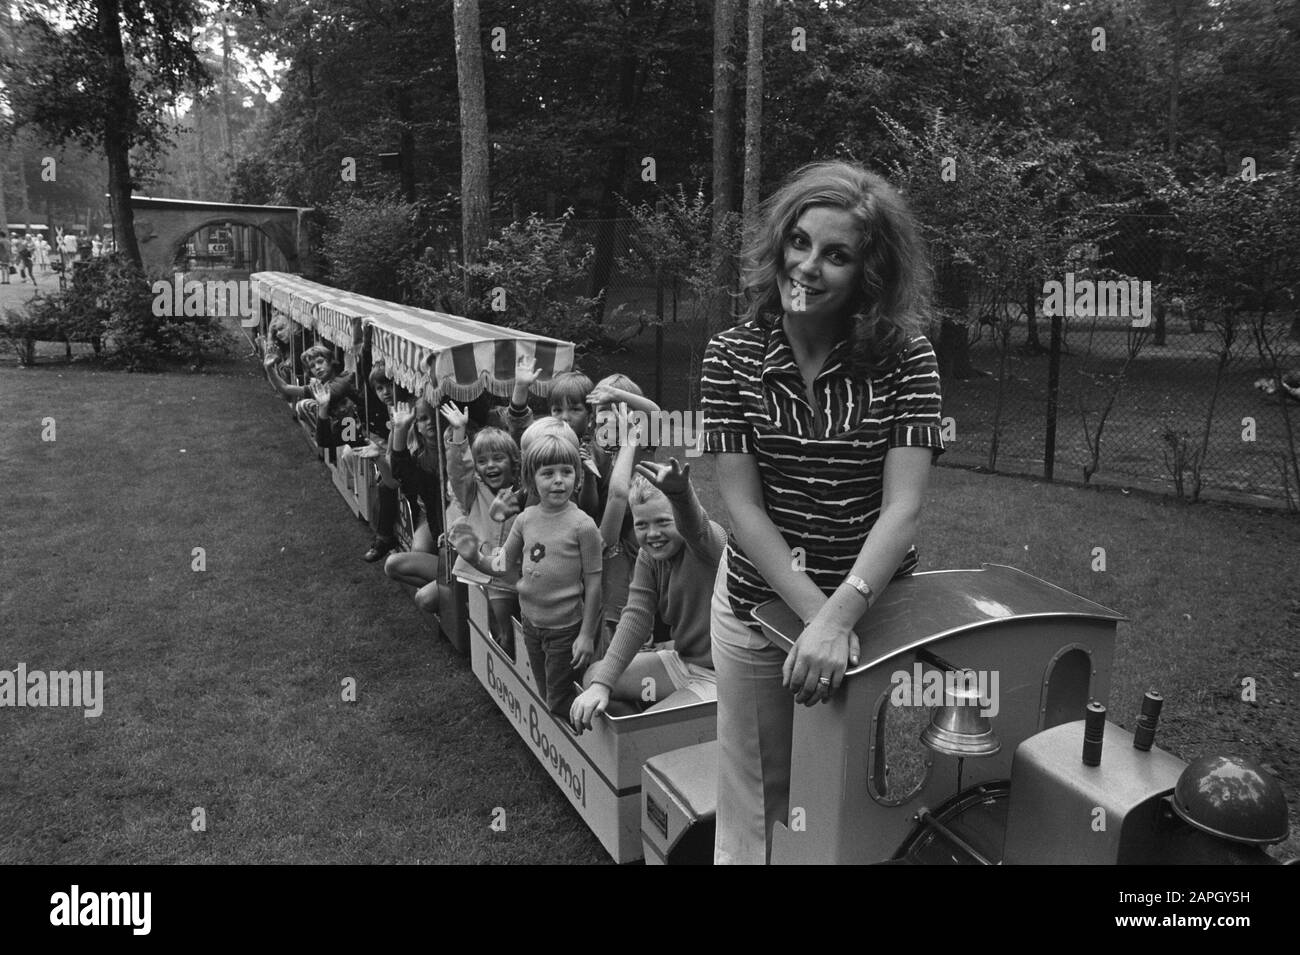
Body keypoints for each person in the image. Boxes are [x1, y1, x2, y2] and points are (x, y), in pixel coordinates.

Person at [700, 160, 945, 864]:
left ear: (869, 274)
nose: (807, 267)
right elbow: (741, 508)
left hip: (869, 615)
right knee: (757, 801)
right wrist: (816, 620)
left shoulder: (908, 360)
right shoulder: (731, 357)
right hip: (756, 607)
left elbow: (903, 508)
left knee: (844, 794)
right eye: (799, 242)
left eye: (836, 254)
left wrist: (839, 620)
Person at [570, 459, 725, 733]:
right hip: (684, 662)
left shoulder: (706, 545)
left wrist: (682, 495)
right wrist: (603, 685)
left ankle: (672, 729)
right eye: (642, 525)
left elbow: (696, 526)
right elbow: (636, 617)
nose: (652, 534)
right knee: (595, 676)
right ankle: (651, 725)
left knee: (649, 729)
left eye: (663, 522)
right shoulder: (648, 557)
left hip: (720, 676)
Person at [455, 433, 603, 715]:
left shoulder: (584, 526)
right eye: (548, 473)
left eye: (566, 472)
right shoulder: (524, 519)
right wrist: (472, 555)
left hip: (565, 629)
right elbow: (502, 566)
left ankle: (577, 743)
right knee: (545, 689)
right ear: (530, 479)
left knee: (557, 699)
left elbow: (594, 584)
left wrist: (586, 635)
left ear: (578, 477)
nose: (558, 480)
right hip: (530, 622)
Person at [441, 402, 522, 651]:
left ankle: (506, 644)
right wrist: (458, 434)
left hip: (516, 570)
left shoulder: (521, 492)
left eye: (498, 459)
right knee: (497, 616)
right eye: (483, 461)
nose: (490, 466)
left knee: (513, 619)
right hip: (484, 571)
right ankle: (501, 643)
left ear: (514, 462)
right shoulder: (473, 491)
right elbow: (458, 470)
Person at [382, 398, 447, 612]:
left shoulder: (462, 451)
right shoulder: (422, 460)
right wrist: (400, 430)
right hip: (437, 526)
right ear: (416, 426)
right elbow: (403, 478)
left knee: (425, 598)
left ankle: (450, 597)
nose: (430, 423)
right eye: (423, 419)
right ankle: (448, 597)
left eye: (435, 416)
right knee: (393, 564)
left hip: (463, 540)